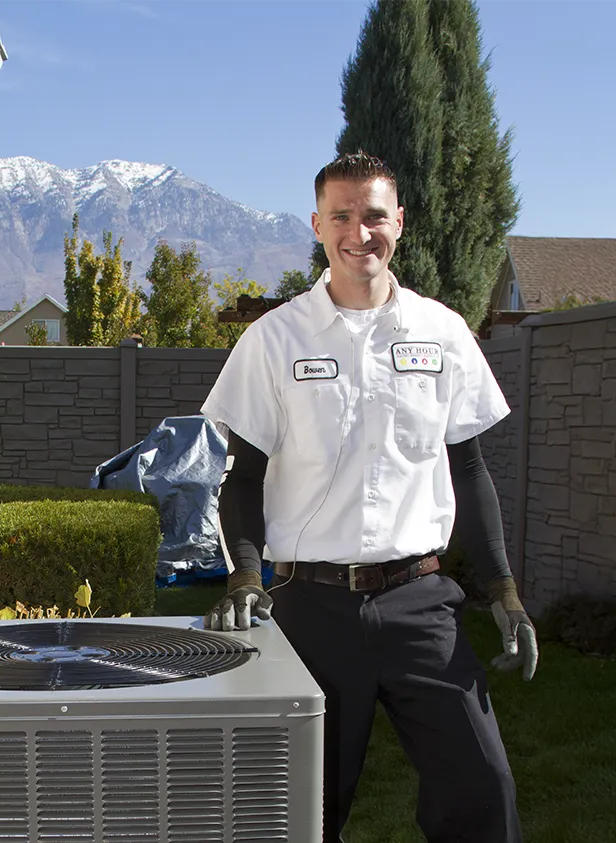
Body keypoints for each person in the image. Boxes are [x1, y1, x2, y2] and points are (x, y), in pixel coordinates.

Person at [201, 151, 537, 843]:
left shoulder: (441, 333)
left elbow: (469, 471)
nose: (361, 232)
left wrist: (503, 588)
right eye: (344, 216)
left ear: (400, 222)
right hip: (311, 610)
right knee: (299, 811)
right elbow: (243, 477)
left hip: (422, 604)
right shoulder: (275, 339)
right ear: (318, 225)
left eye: (375, 214)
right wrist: (242, 569)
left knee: (484, 791)